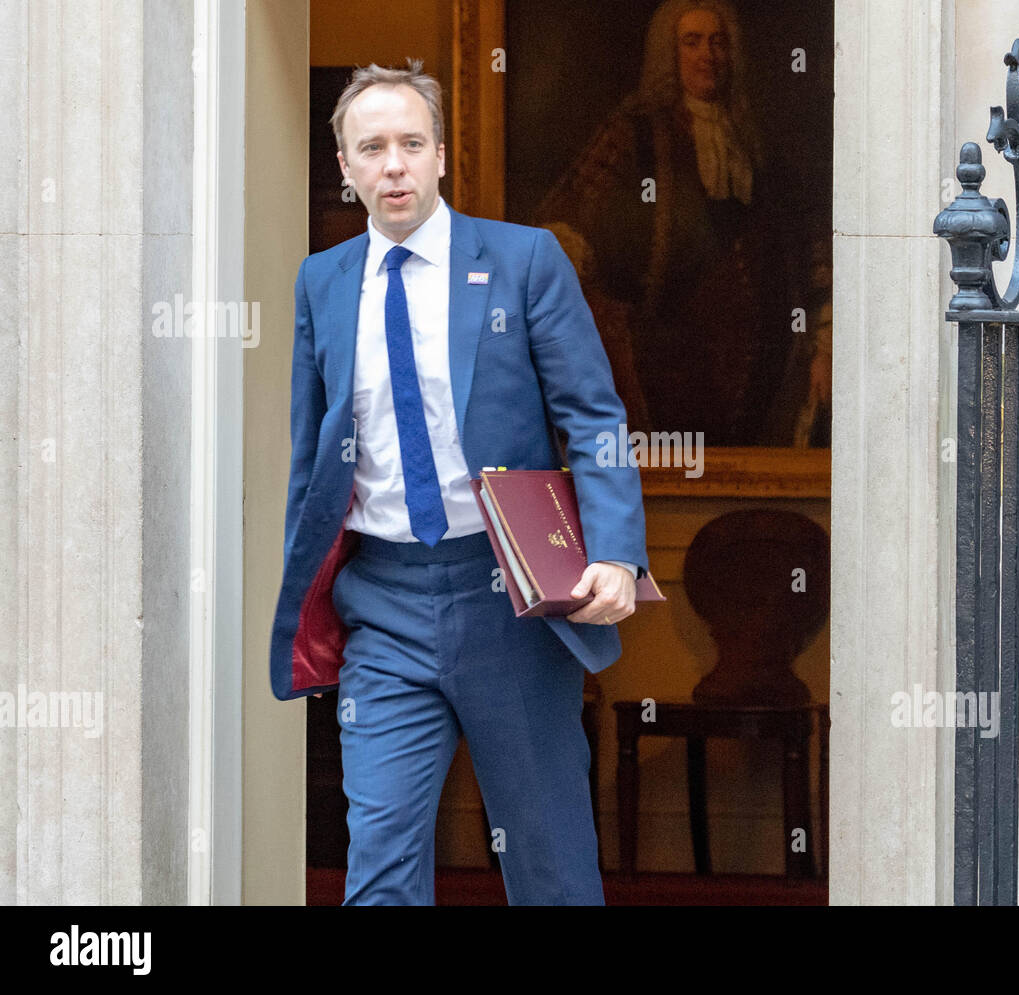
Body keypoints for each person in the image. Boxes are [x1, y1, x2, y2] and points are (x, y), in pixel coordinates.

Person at [267, 59, 649, 906]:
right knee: (380, 867)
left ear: (441, 155)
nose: (393, 163)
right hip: (384, 606)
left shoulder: (524, 261)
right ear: (345, 166)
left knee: (548, 865)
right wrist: (311, 591)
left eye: (411, 143)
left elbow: (593, 415)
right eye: (372, 147)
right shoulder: (321, 283)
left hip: (507, 599)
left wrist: (618, 553)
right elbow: (312, 452)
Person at [532, 0, 815, 446]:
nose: (708, 55)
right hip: (663, 352)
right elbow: (564, 213)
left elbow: (796, 237)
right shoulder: (637, 129)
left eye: (718, 42)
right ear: (671, 52)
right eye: (692, 42)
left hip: (757, 359)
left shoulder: (751, 139)